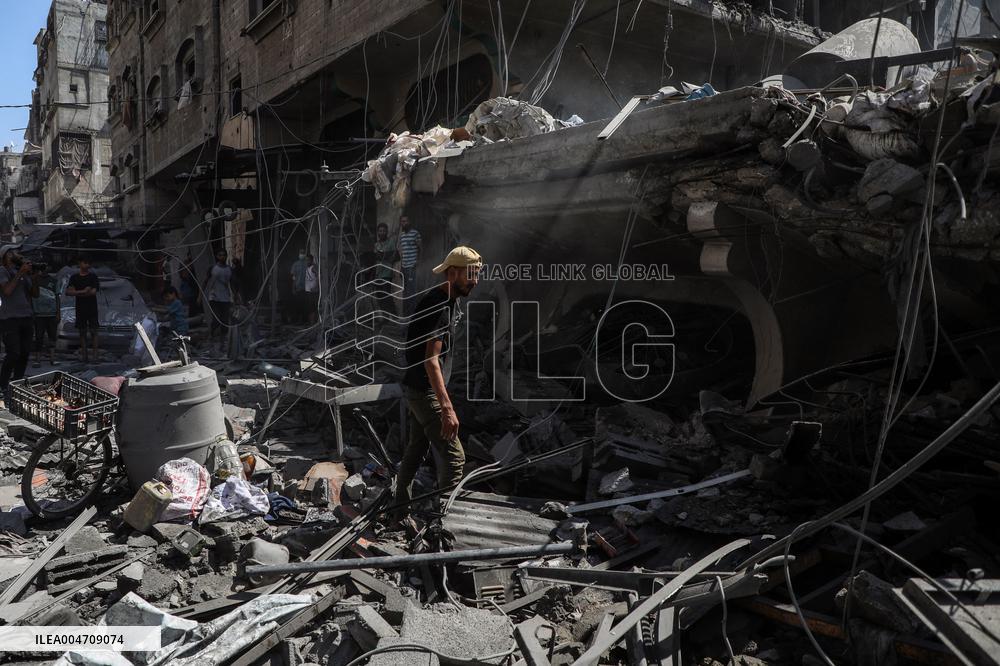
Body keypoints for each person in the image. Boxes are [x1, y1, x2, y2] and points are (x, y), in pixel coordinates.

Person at [393, 246, 482, 520]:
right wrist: (447, 408)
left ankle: (399, 511)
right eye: (471, 275)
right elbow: (431, 360)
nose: (475, 281)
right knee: (455, 459)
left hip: (418, 387)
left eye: (477, 274)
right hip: (424, 390)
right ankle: (442, 525)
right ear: (453, 273)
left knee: (416, 450)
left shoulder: (451, 300)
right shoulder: (438, 306)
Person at [0, 247, 36, 397]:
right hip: (9, 319)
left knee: (25, 353)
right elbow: (7, 291)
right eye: (11, 252)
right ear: (5, 256)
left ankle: (17, 383)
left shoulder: (21, 271)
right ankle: (2, 384)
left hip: (26, 317)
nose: (15, 255)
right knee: (13, 353)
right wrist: (20, 273)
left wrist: (33, 275)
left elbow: (35, 293)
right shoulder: (3, 271)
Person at [65, 256, 100, 363]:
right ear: (79, 263)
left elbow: (93, 292)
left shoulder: (93, 277)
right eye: (85, 262)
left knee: (94, 332)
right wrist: (83, 291)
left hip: (92, 308)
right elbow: (68, 292)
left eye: (88, 263)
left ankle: (95, 356)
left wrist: (78, 292)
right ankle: (84, 356)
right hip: (80, 308)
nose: (87, 265)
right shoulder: (74, 277)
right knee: (82, 332)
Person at [31, 265, 60, 367]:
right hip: (38, 314)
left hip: (51, 314)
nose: (43, 270)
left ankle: (52, 358)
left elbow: (57, 297)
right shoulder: (34, 280)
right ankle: (37, 360)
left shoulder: (54, 281)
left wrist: (58, 313)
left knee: (52, 336)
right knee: (39, 337)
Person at [203, 249, 233, 345]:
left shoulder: (229, 269)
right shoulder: (213, 268)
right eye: (220, 255)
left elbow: (232, 283)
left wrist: (236, 296)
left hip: (225, 298)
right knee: (216, 319)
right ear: (217, 256)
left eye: (224, 255)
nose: (222, 257)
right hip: (214, 298)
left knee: (225, 320)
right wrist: (200, 296)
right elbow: (205, 281)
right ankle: (211, 335)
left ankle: (223, 340)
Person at [397, 216, 421, 306]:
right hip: (404, 266)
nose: (404, 223)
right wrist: (400, 267)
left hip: (412, 265)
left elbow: (420, 248)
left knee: (412, 289)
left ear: (409, 222)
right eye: (402, 222)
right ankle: (407, 311)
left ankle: (413, 310)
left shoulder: (415, 233)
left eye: (406, 221)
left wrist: (417, 260)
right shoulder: (402, 235)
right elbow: (402, 251)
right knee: (405, 289)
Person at [290, 250, 307, 323]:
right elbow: (293, 277)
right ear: (299, 254)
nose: (302, 255)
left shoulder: (307, 263)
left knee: (305, 305)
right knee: (297, 305)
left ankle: (304, 320)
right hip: (298, 288)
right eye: (301, 253)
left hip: (306, 288)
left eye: (303, 253)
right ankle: (297, 320)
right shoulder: (295, 264)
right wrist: (293, 288)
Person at [304, 254, 319, 324]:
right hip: (308, 290)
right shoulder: (307, 268)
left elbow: (319, 276)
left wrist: (316, 287)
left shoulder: (313, 268)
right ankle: (311, 321)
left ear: (311, 260)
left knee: (313, 307)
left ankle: (313, 321)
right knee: (309, 307)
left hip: (313, 291)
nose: (307, 261)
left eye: (308, 260)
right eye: (306, 260)